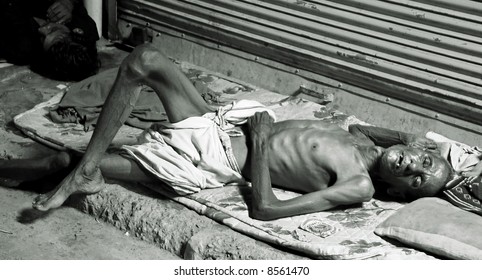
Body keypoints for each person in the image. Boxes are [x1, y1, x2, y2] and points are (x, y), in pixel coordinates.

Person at [1, 44, 460, 220]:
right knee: (143, 60)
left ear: (398, 195)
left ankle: (61, 170)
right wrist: (415, 142)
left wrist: (260, 143)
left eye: (417, 179)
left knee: (69, 161)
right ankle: (83, 171)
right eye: (423, 159)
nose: (414, 167)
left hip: (212, 161)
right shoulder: (366, 141)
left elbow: (264, 208)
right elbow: (361, 125)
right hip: (219, 125)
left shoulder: (359, 186)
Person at [0, 0, 99, 81]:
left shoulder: (21, 45)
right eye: (53, 29)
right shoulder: (87, 29)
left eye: (42, 39)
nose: (41, 29)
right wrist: (69, 2)